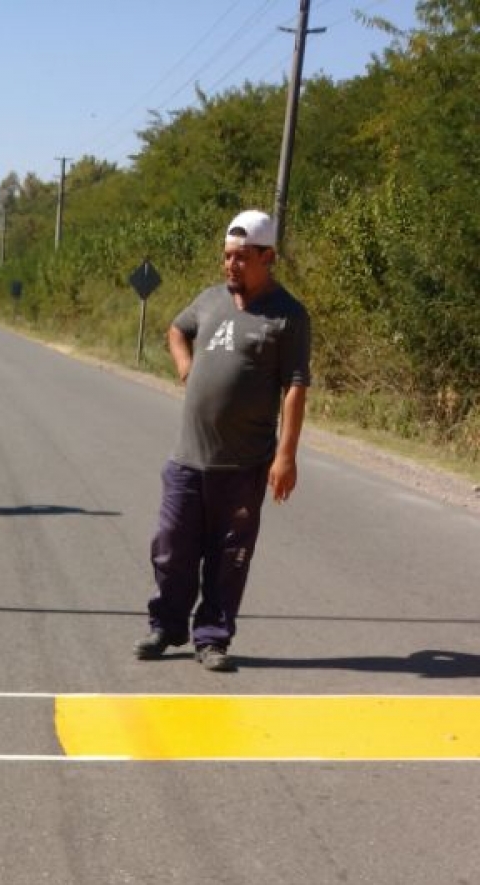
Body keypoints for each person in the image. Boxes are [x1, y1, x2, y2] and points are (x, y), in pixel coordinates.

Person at [134, 209, 311, 674]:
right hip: (187, 458)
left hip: (244, 465)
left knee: (228, 557)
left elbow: (295, 385)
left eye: (241, 257)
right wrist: (185, 367)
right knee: (171, 546)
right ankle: (165, 627)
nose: (230, 266)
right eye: (227, 257)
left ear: (267, 257)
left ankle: (212, 637)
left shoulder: (288, 315)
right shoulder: (210, 300)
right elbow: (177, 328)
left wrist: (286, 456)